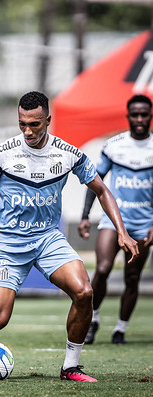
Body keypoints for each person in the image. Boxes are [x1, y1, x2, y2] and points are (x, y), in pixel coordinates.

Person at [0, 91, 139, 382]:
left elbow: (102, 190)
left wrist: (122, 232)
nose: (28, 131)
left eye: (35, 124)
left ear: (48, 120)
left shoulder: (68, 153)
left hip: (47, 239)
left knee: (84, 292)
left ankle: (70, 367)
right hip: (9, 244)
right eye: (22, 124)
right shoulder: (3, 154)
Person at [78, 94, 153, 345]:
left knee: (132, 277)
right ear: (128, 116)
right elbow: (95, 183)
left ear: (150, 115)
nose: (140, 119)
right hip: (114, 219)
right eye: (135, 114)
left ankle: (120, 329)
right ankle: (94, 319)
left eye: (145, 114)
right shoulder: (114, 145)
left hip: (144, 223)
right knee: (102, 268)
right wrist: (85, 215)